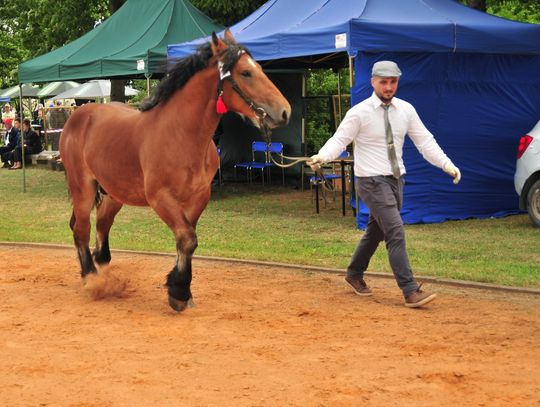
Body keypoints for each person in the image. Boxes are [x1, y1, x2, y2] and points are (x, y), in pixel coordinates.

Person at [308, 61, 461, 308]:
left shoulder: (407, 110)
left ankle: (354, 274)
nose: (388, 87)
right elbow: (340, 140)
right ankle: (410, 291)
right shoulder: (359, 112)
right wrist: (322, 156)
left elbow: (425, 142)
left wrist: (446, 164)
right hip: (370, 181)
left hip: (395, 180)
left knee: (376, 231)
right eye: (383, 82)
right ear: (373, 82)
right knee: (395, 230)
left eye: (393, 82)